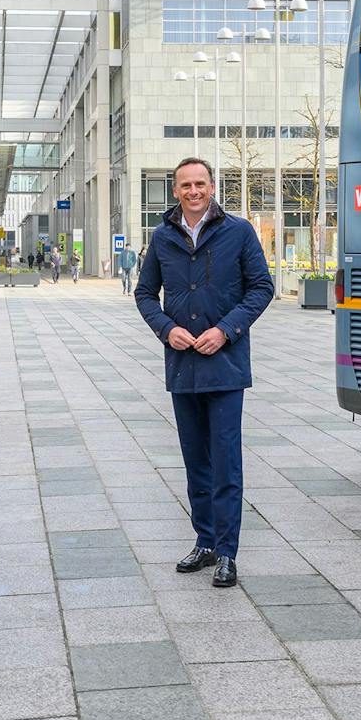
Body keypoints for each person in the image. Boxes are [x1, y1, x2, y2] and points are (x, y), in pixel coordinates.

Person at [135, 157, 273, 588]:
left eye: (200, 183)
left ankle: (228, 552)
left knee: (226, 460)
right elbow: (144, 294)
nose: (193, 191)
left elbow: (262, 288)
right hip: (183, 366)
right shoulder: (161, 238)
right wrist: (167, 329)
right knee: (196, 459)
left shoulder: (239, 232)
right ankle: (205, 540)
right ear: (175, 191)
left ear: (212, 187)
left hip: (226, 365)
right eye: (185, 185)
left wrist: (226, 330)